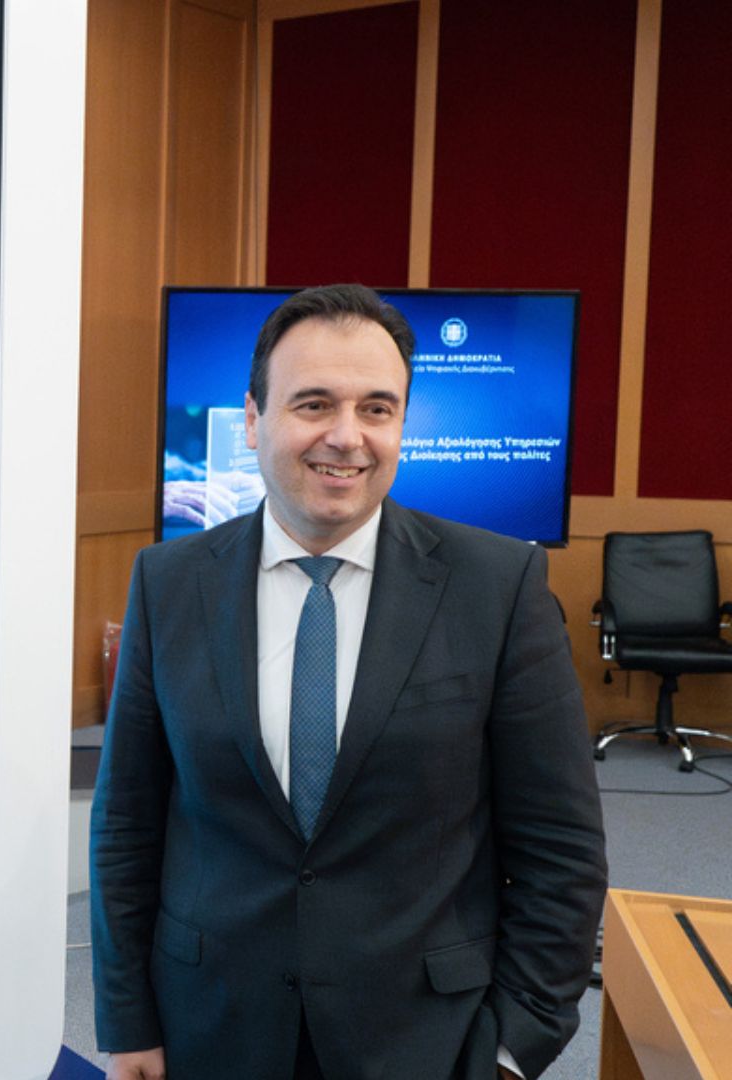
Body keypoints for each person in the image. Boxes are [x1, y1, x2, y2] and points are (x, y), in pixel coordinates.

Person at [88, 284, 605, 1080]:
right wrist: (128, 1022)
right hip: (210, 1028)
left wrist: (512, 1048)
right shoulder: (169, 582)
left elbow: (560, 847)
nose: (347, 436)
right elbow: (128, 823)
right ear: (253, 419)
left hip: (427, 1040)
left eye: (377, 409)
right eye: (314, 404)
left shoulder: (498, 587)